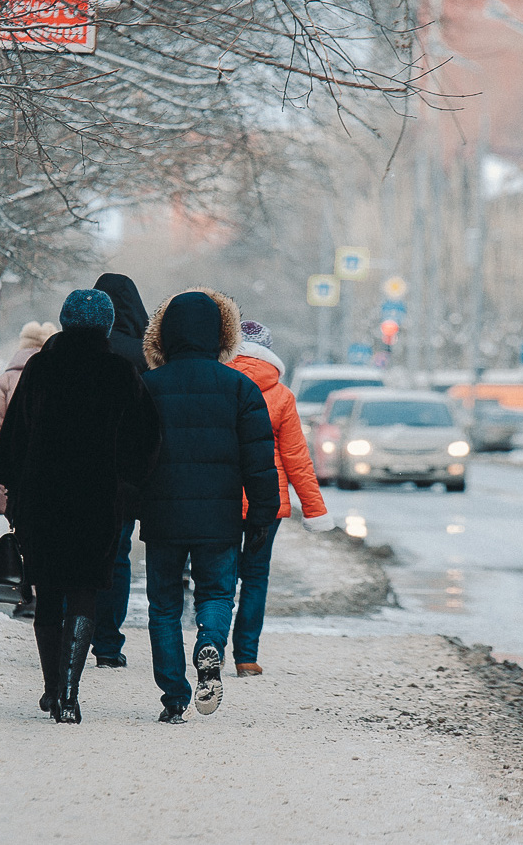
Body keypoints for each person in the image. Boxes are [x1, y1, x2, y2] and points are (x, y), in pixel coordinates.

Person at [0, 290, 161, 723]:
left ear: (64, 322)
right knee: (84, 590)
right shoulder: (120, 372)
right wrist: (127, 486)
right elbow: (146, 439)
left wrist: (8, 484)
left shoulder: (41, 368)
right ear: (105, 326)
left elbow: (13, 436)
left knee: (47, 593)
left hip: (41, 499)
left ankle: (50, 690)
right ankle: (69, 693)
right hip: (97, 500)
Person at [137, 288, 278, 724]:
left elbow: (131, 454)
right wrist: (260, 515)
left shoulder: (146, 386)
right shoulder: (240, 388)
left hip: (161, 516)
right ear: (222, 335)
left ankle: (174, 696)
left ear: (163, 336)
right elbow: (260, 460)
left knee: (162, 606)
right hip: (219, 517)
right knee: (216, 593)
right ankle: (210, 643)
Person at [226, 320, 335, 678]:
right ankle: (245, 657)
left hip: (219, 497)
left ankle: (209, 642)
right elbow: (296, 459)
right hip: (266, 501)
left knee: (220, 575)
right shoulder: (282, 395)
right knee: (255, 577)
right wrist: (316, 511)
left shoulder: (218, 382)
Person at [0, 321, 59, 619]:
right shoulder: (56, 374)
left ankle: (24, 593)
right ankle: (42, 591)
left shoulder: (8, 378)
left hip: (15, 471)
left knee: (20, 530)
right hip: (47, 470)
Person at [89, 273, 148, 667]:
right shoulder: (142, 356)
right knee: (118, 554)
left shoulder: (73, 348)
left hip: (75, 469)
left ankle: (70, 631)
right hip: (123, 473)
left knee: (75, 549)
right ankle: (108, 644)